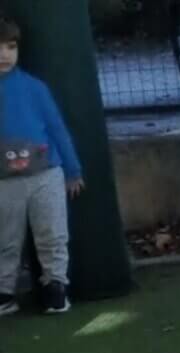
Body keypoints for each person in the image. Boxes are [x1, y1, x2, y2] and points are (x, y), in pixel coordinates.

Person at [0, 16, 83, 317]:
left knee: (52, 232)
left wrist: (73, 170)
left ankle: (55, 286)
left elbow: (57, 128)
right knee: (5, 239)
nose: (4, 54)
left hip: (45, 175)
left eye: (11, 47)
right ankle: (4, 292)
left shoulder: (35, 88)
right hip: (4, 181)